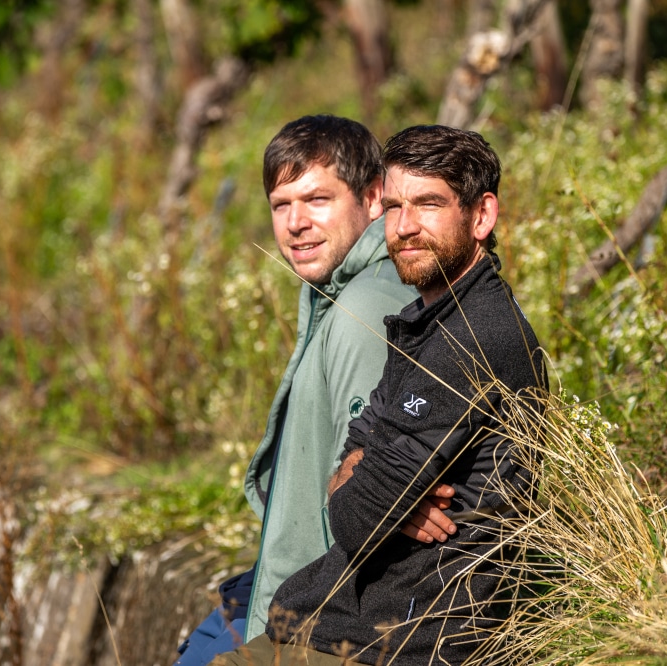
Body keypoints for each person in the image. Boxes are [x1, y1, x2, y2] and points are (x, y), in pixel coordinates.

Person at [211, 125, 547, 665]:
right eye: (394, 206)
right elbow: (356, 461)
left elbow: (356, 514)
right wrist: (364, 478)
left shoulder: (474, 337)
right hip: (358, 619)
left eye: (429, 205)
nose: (405, 227)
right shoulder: (423, 323)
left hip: (403, 639)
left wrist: (366, 485)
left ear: (481, 216)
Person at [176, 115, 452, 665]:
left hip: (323, 617)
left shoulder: (363, 310)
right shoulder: (343, 291)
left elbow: (370, 489)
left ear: (374, 198)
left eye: (318, 199)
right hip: (289, 590)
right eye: (282, 205)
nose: (296, 223)